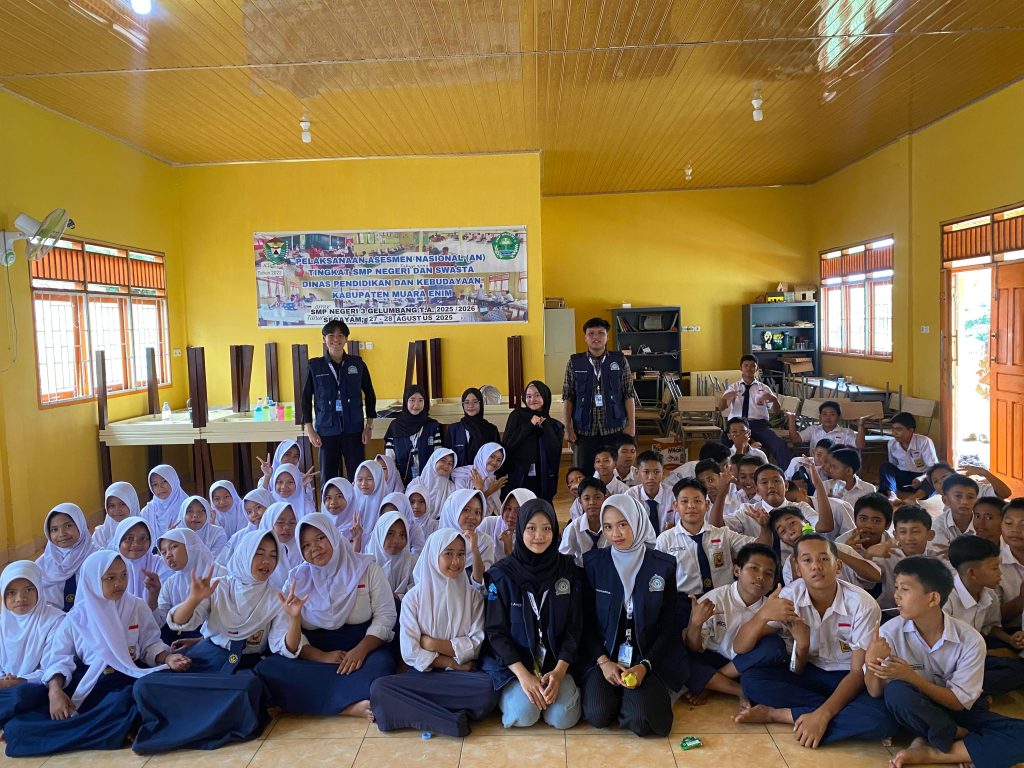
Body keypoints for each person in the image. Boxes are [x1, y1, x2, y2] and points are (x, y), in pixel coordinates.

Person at [3, 551, 191, 757]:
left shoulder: (136, 606)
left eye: (123, 575)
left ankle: (116, 726)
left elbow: (150, 645)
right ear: (92, 580)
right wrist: (55, 692)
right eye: (109, 578)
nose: (119, 583)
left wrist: (167, 657)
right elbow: (59, 659)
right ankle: (116, 728)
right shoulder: (76, 618)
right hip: (92, 683)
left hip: (128, 677)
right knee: (17, 728)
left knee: (129, 698)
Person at [733, 534, 895, 747]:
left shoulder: (862, 605)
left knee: (880, 720)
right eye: (807, 560)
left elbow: (857, 673)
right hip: (809, 673)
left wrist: (823, 715)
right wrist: (762, 615)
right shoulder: (790, 596)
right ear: (797, 568)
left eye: (824, 559)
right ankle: (839, 713)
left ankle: (780, 714)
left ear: (838, 566)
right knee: (751, 681)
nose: (816, 566)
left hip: (848, 676)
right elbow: (740, 647)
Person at [866, 556, 1024, 768]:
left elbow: (958, 703)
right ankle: (959, 738)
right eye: (896, 588)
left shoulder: (970, 640)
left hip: (957, 709)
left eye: (905, 589)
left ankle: (933, 751)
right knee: (897, 692)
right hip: (917, 710)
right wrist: (872, 660)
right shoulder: (889, 633)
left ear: (933, 598)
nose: (896, 596)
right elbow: (875, 692)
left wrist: (911, 677)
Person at [132, 531, 282, 753]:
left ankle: (181, 721)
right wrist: (194, 599)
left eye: (272, 555)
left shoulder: (276, 597)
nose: (266, 561)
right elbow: (179, 622)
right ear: (245, 554)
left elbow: (280, 644)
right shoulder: (218, 586)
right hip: (206, 657)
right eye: (259, 554)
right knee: (143, 686)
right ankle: (212, 720)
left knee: (248, 688)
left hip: (242, 665)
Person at [255, 514, 396, 719]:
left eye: (320, 538)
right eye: (306, 545)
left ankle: (303, 702)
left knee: (381, 671)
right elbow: (282, 631)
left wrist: (360, 651)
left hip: (363, 651)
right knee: (267, 669)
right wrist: (320, 656)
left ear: (333, 536)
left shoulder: (368, 570)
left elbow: (386, 615)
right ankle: (349, 707)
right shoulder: (296, 580)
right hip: (315, 657)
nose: (314, 548)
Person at [369, 529, 499, 737]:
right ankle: (450, 721)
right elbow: (410, 652)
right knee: (380, 688)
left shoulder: (473, 597)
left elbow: (475, 645)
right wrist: (451, 663)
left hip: (461, 678)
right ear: (433, 555)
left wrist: (431, 644)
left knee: (488, 690)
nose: (456, 561)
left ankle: (426, 712)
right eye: (448, 554)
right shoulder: (413, 599)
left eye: (461, 554)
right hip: (426, 674)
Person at [580, 494, 683, 737]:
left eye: (622, 524)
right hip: (604, 657)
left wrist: (644, 666)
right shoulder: (594, 564)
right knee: (598, 714)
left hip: (643, 657)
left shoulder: (663, 565)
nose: (615, 533)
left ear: (637, 521)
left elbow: (668, 626)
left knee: (643, 722)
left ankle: (633, 698)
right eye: (608, 527)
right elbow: (584, 622)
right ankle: (619, 696)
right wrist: (603, 662)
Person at [483, 499, 583, 729]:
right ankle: (514, 693)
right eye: (531, 528)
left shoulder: (568, 570)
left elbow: (575, 627)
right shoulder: (502, 575)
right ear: (520, 530)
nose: (539, 536)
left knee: (563, 718)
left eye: (546, 528)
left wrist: (559, 673)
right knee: (524, 714)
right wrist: (523, 676)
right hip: (515, 666)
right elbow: (496, 632)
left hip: (556, 663)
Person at [658, 478, 773, 627]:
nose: (691, 506)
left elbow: (761, 549)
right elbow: (660, 579)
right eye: (684, 501)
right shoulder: (665, 540)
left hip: (723, 600)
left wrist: (765, 527)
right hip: (685, 603)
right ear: (675, 506)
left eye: (697, 501)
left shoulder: (723, 534)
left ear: (706, 505)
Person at [684, 544, 780, 704]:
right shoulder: (714, 599)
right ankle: (740, 690)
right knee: (681, 662)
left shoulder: (773, 607)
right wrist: (696, 624)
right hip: (714, 659)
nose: (760, 577)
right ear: (737, 571)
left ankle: (712, 684)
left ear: (772, 584)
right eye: (754, 568)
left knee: (773, 647)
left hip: (747, 663)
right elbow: (694, 648)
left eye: (768, 573)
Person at [945, 535, 1024, 695]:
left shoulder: (989, 594)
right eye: (994, 568)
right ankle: (955, 691)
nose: (1000, 574)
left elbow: (990, 627)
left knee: (1017, 667)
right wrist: (987, 653)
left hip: (974, 651)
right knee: (1013, 670)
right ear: (972, 573)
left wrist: (1009, 639)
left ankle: (968, 689)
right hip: (949, 658)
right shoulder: (946, 598)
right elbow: (944, 647)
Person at [302, 319, 377, 481]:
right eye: (331, 335)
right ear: (324, 339)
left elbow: (370, 395)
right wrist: (310, 430)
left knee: (357, 476)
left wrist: (369, 426)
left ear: (346, 339)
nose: (336, 339)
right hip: (326, 430)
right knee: (329, 478)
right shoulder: (315, 366)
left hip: (354, 430)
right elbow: (306, 399)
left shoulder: (357, 364)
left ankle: (356, 499)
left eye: (340, 335)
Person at [562, 317, 637, 474]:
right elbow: (568, 396)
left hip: (614, 429)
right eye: (591, 333)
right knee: (585, 473)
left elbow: (628, 394)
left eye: (601, 333)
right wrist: (567, 427)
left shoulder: (619, 360)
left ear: (607, 337)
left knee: (614, 472)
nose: (596, 337)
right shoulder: (575, 362)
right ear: (585, 338)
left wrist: (631, 424)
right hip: (584, 430)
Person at [0, 561, 66, 728]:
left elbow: (52, 666)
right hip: (4, 688)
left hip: (35, 686)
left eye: (28, 590)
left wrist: (20, 680)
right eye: (11, 593)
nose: (20, 598)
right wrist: (4, 680)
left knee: (19, 695)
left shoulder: (55, 620)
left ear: (39, 589)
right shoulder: (2, 623)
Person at [718, 355, 791, 467]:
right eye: (746, 365)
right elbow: (721, 408)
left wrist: (774, 399)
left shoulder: (764, 388)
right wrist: (724, 398)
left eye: (752, 366)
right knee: (724, 444)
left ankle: (785, 474)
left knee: (780, 444)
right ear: (741, 368)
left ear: (756, 369)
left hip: (759, 425)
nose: (749, 368)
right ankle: (726, 472)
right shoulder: (733, 387)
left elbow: (777, 411)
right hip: (738, 425)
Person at [502, 381, 565, 502]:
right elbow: (508, 444)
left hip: (542, 477)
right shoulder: (517, 415)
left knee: (540, 506)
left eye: (537, 395)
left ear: (545, 396)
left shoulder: (554, 425)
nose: (532, 399)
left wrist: (545, 426)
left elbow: (555, 452)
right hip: (519, 475)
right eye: (529, 396)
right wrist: (530, 425)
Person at [155, 527, 219, 646]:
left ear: (191, 546)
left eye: (173, 547)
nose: (168, 555)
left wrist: (200, 641)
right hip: (178, 637)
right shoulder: (170, 583)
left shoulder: (220, 575)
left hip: (214, 639)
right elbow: (160, 620)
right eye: (163, 552)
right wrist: (152, 595)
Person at [36, 503, 96, 612]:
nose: (62, 534)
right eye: (54, 529)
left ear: (80, 525)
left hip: (90, 616)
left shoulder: (97, 557)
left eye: (68, 526)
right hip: (53, 619)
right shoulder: (42, 565)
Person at [384, 385, 442, 486]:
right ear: (406, 401)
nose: (416, 405)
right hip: (401, 482)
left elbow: (438, 455)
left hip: (428, 481)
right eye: (412, 400)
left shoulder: (432, 426)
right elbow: (389, 459)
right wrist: (396, 483)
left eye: (420, 400)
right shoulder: (395, 427)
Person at [112, 516, 169, 612]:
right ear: (118, 541)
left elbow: (166, 609)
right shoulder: (109, 568)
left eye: (143, 538)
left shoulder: (161, 565)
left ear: (150, 540)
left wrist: (154, 595)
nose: (136, 544)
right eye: (129, 538)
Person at [878, 412, 938, 501]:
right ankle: (892, 495)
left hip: (921, 478)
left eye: (898, 429)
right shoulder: (891, 443)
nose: (894, 433)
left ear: (910, 430)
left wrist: (921, 478)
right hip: (902, 478)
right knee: (885, 466)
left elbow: (933, 468)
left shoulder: (924, 442)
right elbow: (893, 465)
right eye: (893, 429)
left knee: (935, 478)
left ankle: (913, 498)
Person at [366, 510, 419, 599]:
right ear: (380, 534)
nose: (396, 541)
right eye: (390, 534)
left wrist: (398, 599)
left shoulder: (413, 562)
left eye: (402, 535)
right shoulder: (367, 564)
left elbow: (417, 592)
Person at [444, 387, 500, 468]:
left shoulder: (491, 430)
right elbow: (446, 458)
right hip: (457, 475)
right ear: (463, 405)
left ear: (481, 403)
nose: (471, 405)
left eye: (475, 402)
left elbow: (497, 457)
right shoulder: (453, 430)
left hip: (483, 474)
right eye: (467, 402)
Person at [559, 478, 608, 567]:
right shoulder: (573, 528)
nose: (592, 502)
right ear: (580, 501)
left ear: (605, 498)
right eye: (587, 498)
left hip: (608, 570)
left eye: (597, 497)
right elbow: (563, 558)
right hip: (581, 571)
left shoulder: (612, 525)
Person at [479, 488, 537, 562]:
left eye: (518, 511)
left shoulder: (535, 536)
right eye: (508, 509)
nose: (511, 515)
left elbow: (526, 567)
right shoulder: (488, 524)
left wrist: (509, 552)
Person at [785, 400, 866, 451]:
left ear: (838, 417)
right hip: (816, 466)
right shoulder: (813, 430)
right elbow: (795, 439)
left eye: (832, 414)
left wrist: (861, 425)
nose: (828, 418)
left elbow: (860, 445)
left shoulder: (846, 432)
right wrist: (791, 419)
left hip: (835, 467)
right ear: (820, 417)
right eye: (824, 414)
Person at [627, 450, 676, 534]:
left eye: (656, 472)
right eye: (646, 472)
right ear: (637, 473)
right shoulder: (630, 496)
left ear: (663, 472)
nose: (651, 477)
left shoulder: (673, 495)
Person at [930, 474, 979, 556]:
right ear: (945, 500)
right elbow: (942, 557)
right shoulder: (938, 526)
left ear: (976, 501)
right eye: (958, 496)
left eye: (970, 497)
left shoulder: (983, 522)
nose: (964, 502)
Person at [452, 442, 507, 515]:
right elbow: (462, 505)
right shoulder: (463, 475)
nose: (494, 462)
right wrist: (487, 491)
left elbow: (489, 511)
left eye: (499, 460)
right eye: (492, 457)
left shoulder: (494, 482)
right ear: (483, 455)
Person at [142, 464, 190, 534]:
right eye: (155, 484)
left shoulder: (189, 507)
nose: (160, 487)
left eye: (165, 481)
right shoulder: (147, 512)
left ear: (174, 481)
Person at [93, 482, 141, 550]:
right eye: (112, 506)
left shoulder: (143, 532)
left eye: (123, 504)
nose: (117, 509)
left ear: (132, 503)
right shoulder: (100, 534)